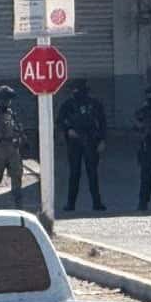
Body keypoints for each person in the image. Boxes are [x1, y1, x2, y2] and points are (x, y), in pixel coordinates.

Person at [57, 80, 107, 211]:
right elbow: (60, 121)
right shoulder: (68, 104)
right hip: (74, 143)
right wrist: (68, 130)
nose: (77, 93)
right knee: (74, 173)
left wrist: (102, 140)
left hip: (91, 141)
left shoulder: (94, 104)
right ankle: (71, 204)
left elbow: (102, 123)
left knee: (92, 174)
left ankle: (97, 203)